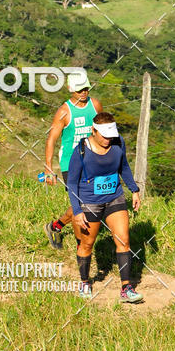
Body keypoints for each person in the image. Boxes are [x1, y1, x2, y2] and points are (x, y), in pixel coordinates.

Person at [66, 111, 143, 303]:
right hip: (90, 202)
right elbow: (72, 183)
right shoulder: (81, 150)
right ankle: (85, 281)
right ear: (94, 131)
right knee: (86, 244)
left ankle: (126, 288)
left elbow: (123, 167)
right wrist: (76, 211)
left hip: (115, 198)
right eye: (105, 136)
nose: (108, 140)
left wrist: (134, 190)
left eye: (111, 136)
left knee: (123, 241)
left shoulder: (118, 143)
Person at [44, 71, 102, 250]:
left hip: (93, 160)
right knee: (81, 205)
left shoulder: (95, 105)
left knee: (94, 202)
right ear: (70, 89)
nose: (83, 92)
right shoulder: (64, 111)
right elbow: (51, 139)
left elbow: (102, 130)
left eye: (85, 88)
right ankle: (81, 249)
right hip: (71, 163)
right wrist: (48, 168)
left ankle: (56, 226)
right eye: (79, 90)